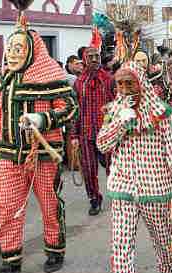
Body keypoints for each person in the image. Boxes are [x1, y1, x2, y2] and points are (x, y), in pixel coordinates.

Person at [0, 14, 77, 273]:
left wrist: (42, 119)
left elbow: (70, 108)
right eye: (10, 49)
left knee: (50, 205)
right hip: (9, 155)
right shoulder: (3, 81)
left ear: (32, 51)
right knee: (8, 209)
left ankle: (55, 250)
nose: (12, 55)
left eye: (19, 49)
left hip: (43, 156)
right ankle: (11, 260)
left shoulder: (51, 77)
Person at [96, 62, 172, 273]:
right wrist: (119, 123)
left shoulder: (162, 113)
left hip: (155, 187)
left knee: (162, 237)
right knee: (121, 242)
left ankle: (170, 270)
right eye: (120, 84)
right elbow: (102, 144)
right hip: (122, 186)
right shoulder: (113, 110)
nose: (125, 89)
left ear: (141, 84)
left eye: (130, 83)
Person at [73, 45, 115, 216]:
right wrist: (74, 135)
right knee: (89, 169)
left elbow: (117, 103)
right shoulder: (78, 82)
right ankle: (94, 199)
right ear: (84, 59)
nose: (95, 60)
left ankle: (117, 194)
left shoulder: (109, 79)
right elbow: (75, 110)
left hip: (106, 132)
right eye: (90, 57)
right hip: (85, 132)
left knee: (112, 167)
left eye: (97, 56)